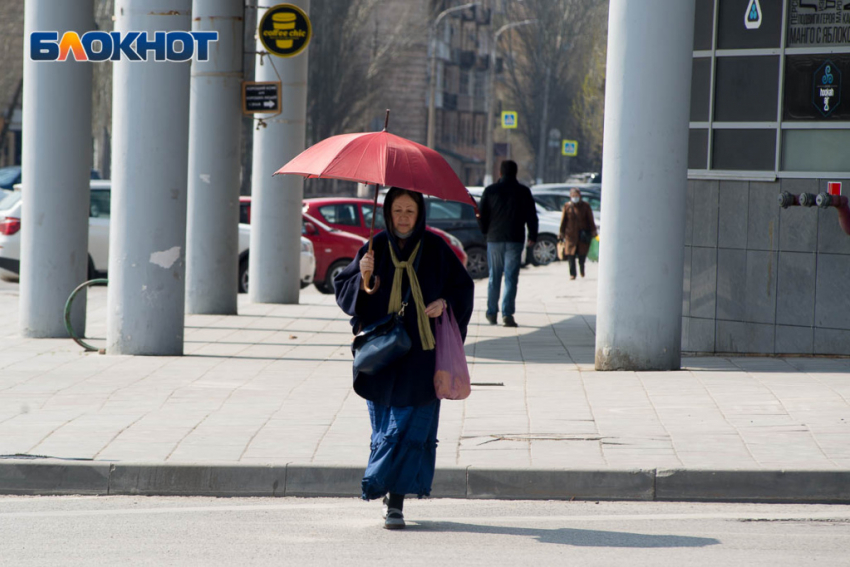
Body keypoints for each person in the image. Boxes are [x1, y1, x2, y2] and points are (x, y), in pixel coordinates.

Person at [334, 187, 474, 530]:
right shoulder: (374, 247)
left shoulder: (437, 248)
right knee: (386, 425)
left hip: (422, 357)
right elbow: (344, 290)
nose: (403, 217)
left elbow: (463, 288)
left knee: (410, 425)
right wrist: (364, 279)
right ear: (387, 212)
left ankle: (394, 499)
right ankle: (387, 489)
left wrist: (444, 304)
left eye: (410, 211)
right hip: (383, 356)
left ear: (420, 213)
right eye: (397, 210)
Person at [478, 160, 538, 327]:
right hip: (515, 239)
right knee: (511, 278)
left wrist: (485, 232)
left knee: (494, 277)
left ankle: (491, 313)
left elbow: (482, 215)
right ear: (515, 173)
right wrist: (533, 235)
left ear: (500, 173)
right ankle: (507, 314)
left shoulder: (490, 191)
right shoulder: (523, 192)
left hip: (494, 239)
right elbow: (531, 215)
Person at [558, 187, 597, 280]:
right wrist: (561, 232)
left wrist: (593, 231)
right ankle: (572, 274)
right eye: (573, 196)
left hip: (582, 234)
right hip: (570, 234)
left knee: (581, 254)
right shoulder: (567, 206)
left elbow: (590, 219)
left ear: (580, 196)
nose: (575, 197)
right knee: (570, 254)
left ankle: (582, 270)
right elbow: (563, 220)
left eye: (576, 196)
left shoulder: (585, 206)